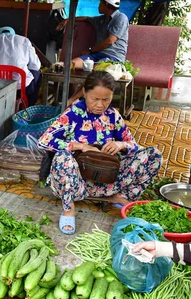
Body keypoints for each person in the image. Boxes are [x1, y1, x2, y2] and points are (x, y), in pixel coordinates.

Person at [38, 71, 161, 235]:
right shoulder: (73, 113)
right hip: (75, 182)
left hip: (107, 179)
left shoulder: (112, 115)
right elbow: (44, 140)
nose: (100, 105)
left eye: (106, 99)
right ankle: (69, 209)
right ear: (84, 93)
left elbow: (134, 145)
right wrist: (80, 146)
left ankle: (117, 196)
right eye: (95, 99)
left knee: (154, 155)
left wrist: (121, 144)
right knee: (62, 157)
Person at [57, 0, 129, 104]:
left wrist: (91, 50)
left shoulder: (121, 18)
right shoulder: (101, 19)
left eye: (101, 2)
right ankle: (73, 96)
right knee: (70, 64)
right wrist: (68, 20)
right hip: (96, 55)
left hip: (113, 58)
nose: (98, 5)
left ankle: (71, 100)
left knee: (94, 76)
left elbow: (110, 41)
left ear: (107, 5)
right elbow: (86, 18)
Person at [0, 26, 41, 105]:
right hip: (20, 86)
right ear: (13, 34)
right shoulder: (24, 40)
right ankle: (30, 105)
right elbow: (35, 66)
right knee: (37, 73)